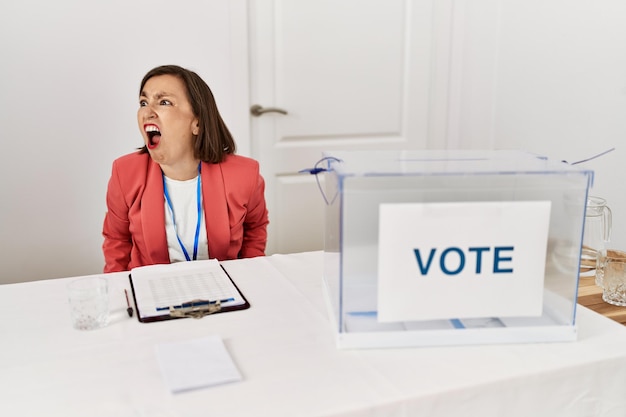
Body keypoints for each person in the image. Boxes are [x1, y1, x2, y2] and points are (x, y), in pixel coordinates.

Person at [102, 65, 269, 273]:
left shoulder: (245, 175)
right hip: (153, 290)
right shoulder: (124, 172)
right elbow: (117, 240)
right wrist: (119, 291)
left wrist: (250, 276)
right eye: (143, 102)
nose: (147, 112)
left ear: (197, 123)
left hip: (224, 287)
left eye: (164, 102)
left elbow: (255, 230)